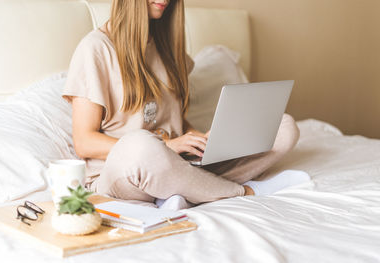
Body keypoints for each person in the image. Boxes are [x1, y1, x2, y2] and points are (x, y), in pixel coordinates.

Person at [62, 0, 307, 208]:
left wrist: (200, 139)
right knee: (141, 145)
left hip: (178, 162)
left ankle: (186, 192)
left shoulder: (166, 49)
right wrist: (167, 145)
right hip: (125, 171)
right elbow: (84, 141)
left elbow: (175, 120)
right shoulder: (95, 48)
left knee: (283, 127)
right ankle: (242, 192)